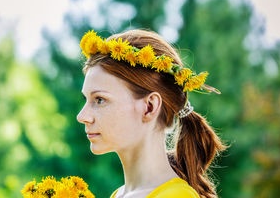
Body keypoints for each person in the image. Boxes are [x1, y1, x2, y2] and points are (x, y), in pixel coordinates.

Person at [76, 29, 227, 198]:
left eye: (100, 100)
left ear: (149, 107)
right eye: (87, 100)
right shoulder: (118, 194)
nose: (82, 116)